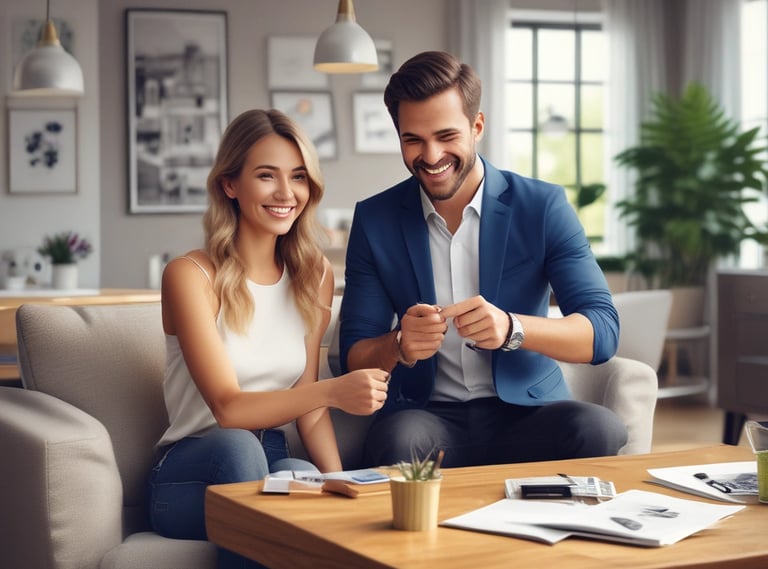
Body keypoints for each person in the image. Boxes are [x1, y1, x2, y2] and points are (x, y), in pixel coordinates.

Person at [339, 51, 628, 469]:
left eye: (446, 136)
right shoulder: (375, 219)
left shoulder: (542, 206)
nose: (431, 156)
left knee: (598, 428)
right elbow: (354, 354)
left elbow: (602, 330)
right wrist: (399, 345)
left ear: (477, 127)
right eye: (413, 139)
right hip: (426, 418)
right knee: (396, 441)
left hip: (528, 413)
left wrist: (513, 328)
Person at [148, 109, 389, 568]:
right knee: (239, 449)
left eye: (298, 177)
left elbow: (307, 401)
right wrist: (337, 391)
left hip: (271, 454)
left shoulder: (313, 274)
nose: (286, 193)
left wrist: (338, 481)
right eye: (266, 175)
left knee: (302, 479)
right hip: (191, 471)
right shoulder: (190, 276)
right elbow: (229, 408)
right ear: (229, 184)